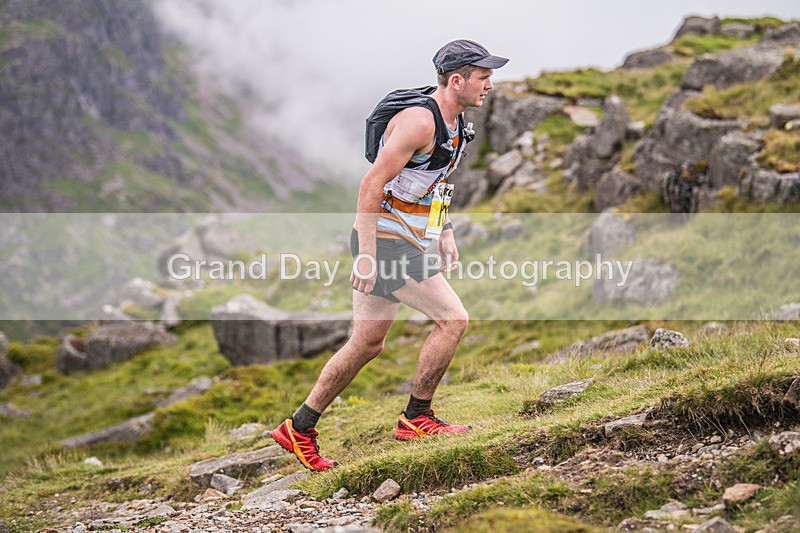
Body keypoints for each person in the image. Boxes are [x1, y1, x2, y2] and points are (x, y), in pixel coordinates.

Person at [271, 39, 508, 471]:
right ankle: (416, 418)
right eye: (483, 76)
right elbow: (371, 185)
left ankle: (298, 427)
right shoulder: (419, 122)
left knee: (366, 343)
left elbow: (433, 182)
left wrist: (445, 230)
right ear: (457, 80)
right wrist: (366, 254)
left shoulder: (455, 124)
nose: (490, 84)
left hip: (402, 238)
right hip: (385, 242)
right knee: (453, 319)